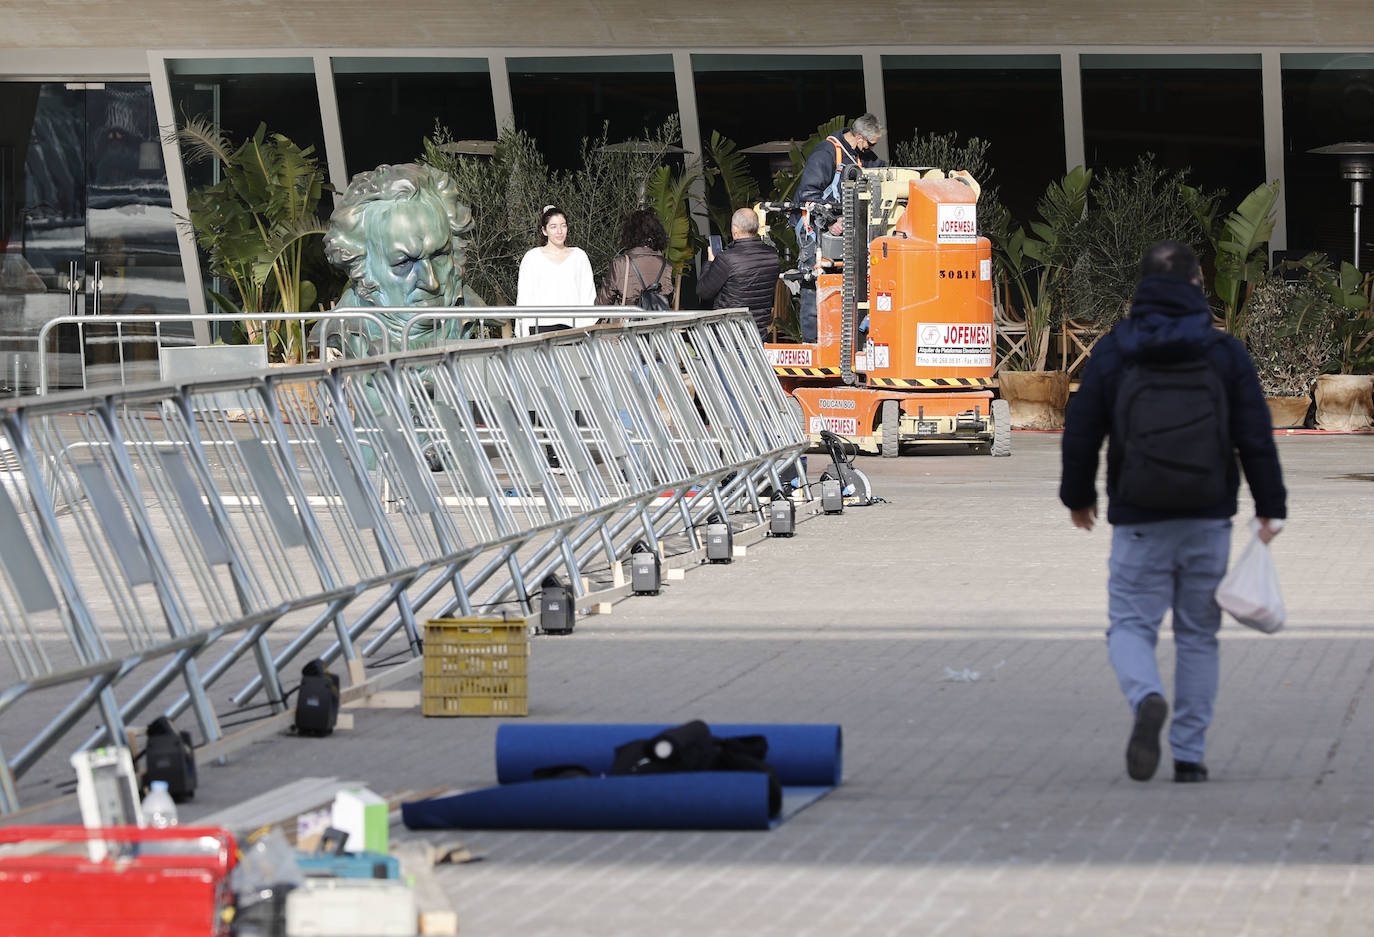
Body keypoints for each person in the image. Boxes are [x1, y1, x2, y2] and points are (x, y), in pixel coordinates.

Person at [1059, 240, 1287, 784]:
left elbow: (1082, 428)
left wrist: (1079, 496)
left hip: (1138, 515)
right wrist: (1270, 506)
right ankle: (1188, 756)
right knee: (1197, 636)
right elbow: (1254, 434)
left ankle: (1146, 698)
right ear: (1194, 287)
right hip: (1207, 515)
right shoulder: (1223, 353)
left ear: (1143, 286)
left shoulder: (1116, 348)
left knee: (1131, 626)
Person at [323, 163, 477, 355]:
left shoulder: (476, 313)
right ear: (361, 267)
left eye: (439, 255)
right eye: (404, 263)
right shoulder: (343, 328)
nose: (432, 282)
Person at [793, 113, 886, 343]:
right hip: (816, 231)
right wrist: (831, 222)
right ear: (861, 138)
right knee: (815, 283)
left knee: (848, 286)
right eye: (872, 143)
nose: (873, 148)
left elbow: (882, 174)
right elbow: (807, 195)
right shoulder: (827, 153)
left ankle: (842, 341)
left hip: (846, 234)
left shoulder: (863, 157)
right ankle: (813, 342)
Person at [696, 207, 781, 339]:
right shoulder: (772, 256)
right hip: (757, 333)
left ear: (734, 229)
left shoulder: (727, 259)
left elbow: (704, 291)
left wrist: (710, 263)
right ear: (758, 228)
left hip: (729, 335)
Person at [515, 204, 596, 336]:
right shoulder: (532, 258)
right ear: (544, 230)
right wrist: (522, 332)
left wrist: (587, 327)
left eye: (563, 225)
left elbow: (588, 295)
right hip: (539, 327)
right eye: (553, 226)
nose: (559, 231)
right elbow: (524, 297)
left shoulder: (579, 256)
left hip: (574, 327)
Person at [597, 209, 674, 309]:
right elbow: (669, 298)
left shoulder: (621, 264)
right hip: (657, 322)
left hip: (628, 322)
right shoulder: (666, 265)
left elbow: (604, 301)